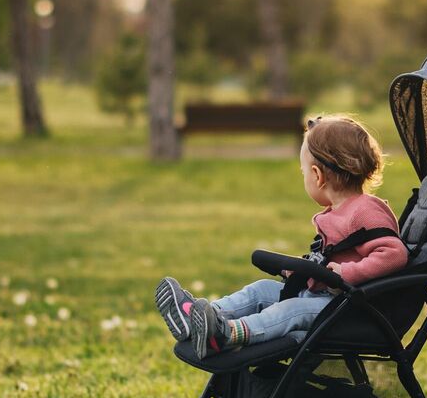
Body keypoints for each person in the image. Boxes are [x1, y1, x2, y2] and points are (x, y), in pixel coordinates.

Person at [156, 114, 408, 360]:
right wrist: (305, 272)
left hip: (348, 309)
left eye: (303, 173)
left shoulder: (365, 209)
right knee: (260, 290)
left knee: (291, 310)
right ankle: (203, 318)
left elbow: (394, 254)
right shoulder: (339, 212)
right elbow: (334, 257)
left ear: (317, 176)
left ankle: (226, 334)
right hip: (324, 298)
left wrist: (347, 274)